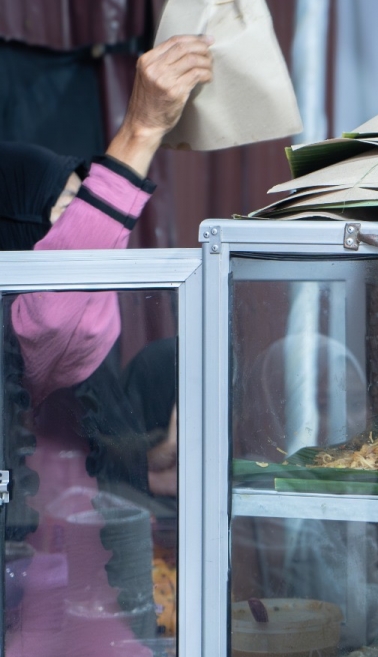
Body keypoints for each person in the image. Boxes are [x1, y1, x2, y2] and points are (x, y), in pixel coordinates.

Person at [1, 34, 212, 657]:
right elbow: (53, 311)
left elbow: (84, 481)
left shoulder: (81, 389)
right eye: (67, 216)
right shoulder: (31, 343)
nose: (102, 245)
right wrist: (140, 131)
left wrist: (157, 459)